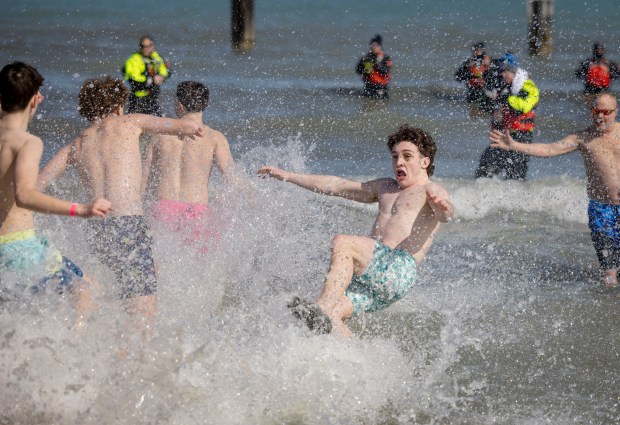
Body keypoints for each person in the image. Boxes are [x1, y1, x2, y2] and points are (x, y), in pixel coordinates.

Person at [258, 125, 454, 337]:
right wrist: (287, 175)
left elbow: (446, 215)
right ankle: (360, 358)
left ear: (424, 161)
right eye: (395, 156)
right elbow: (337, 185)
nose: (399, 162)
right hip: (375, 278)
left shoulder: (429, 190)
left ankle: (322, 305)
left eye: (407, 156)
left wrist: (443, 208)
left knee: (344, 243)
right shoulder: (385, 187)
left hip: (398, 267)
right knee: (334, 315)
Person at [38, 76, 203, 321]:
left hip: (97, 230)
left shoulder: (77, 144)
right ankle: (131, 352)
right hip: (128, 226)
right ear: (119, 107)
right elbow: (185, 126)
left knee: (121, 283)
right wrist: (190, 128)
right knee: (141, 317)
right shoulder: (131, 122)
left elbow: (36, 185)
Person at [0, 61, 112, 321]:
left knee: (84, 281)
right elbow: (25, 195)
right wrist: (81, 209)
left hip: (15, 249)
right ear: (34, 101)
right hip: (20, 249)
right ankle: (78, 354)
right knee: (84, 292)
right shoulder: (27, 142)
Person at [489, 92, 620, 287]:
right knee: (609, 273)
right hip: (601, 210)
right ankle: (605, 303)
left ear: (615, 112)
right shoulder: (583, 138)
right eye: (596, 111)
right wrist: (515, 145)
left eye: (605, 112)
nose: (600, 116)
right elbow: (550, 149)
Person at [142, 81, 239, 248]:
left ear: (180, 105)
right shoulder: (215, 138)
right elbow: (233, 178)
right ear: (205, 104)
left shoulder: (159, 135)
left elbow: (142, 179)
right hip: (196, 212)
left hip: (162, 209)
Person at [475, 62, 539, 180]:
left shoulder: (529, 87)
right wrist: (486, 96)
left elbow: (523, 107)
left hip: (522, 136)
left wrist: (507, 98)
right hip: (503, 135)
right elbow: (486, 110)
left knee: (516, 174)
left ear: (514, 73)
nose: (503, 75)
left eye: (506, 72)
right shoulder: (503, 88)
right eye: (501, 72)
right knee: (485, 168)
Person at [122, 35, 170, 116]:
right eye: (144, 46)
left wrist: (162, 77)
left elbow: (165, 71)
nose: (147, 48)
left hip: (153, 97)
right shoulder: (134, 59)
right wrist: (151, 79)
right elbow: (133, 78)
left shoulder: (156, 57)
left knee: (158, 122)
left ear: (153, 45)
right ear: (140, 47)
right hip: (138, 98)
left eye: (149, 46)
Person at [454, 42, 492, 114]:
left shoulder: (489, 61)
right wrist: (468, 73)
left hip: (486, 91)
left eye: (478, 50)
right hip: (473, 91)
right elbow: (458, 77)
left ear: (482, 50)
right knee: (472, 112)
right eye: (475, 50)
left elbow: (497, 75)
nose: (476, 51)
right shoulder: (469, 63)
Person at [355, 34, 393, 99]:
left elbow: (385, 71)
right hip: (369, 86)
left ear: (381, 46)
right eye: (373, 45)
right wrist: (363, 67)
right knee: (367, 103)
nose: (375, 47)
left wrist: (376, 64)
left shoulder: (385, 58)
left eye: (377, 45)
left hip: (381, 86)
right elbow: (358, 71)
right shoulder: (366, 58)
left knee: (381, 102)